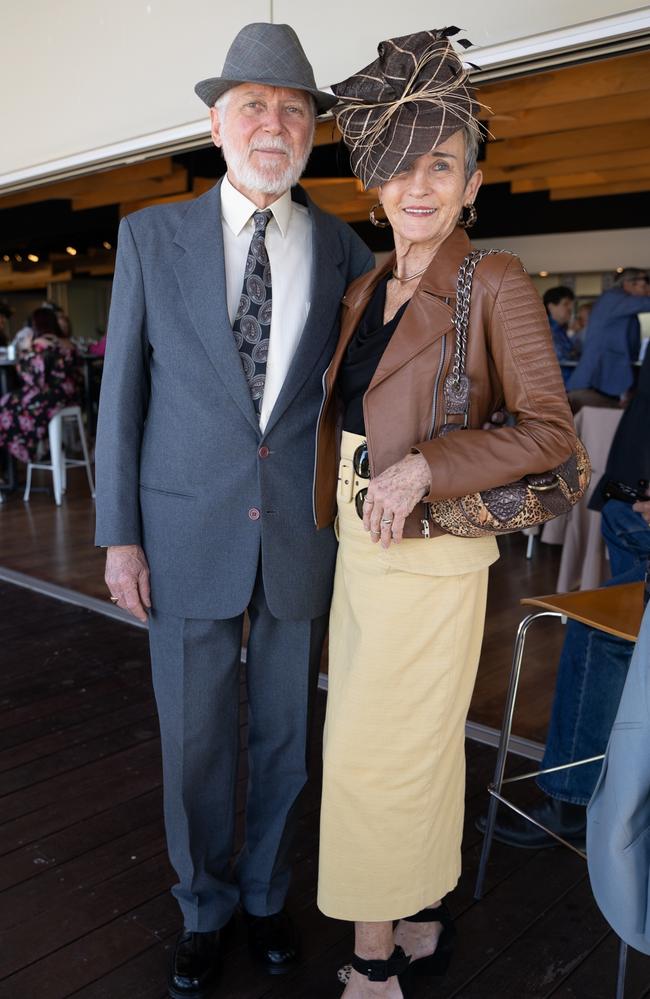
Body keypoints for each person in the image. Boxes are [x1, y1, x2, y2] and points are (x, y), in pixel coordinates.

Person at [94, 22, 373, 999]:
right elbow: (120, 396)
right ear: (215, 124)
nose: (275, 122)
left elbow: (357, 398)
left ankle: (264, 896)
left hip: (298, 538)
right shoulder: (148, 236)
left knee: (285, 737)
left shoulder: (345, 250)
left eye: (294, 108)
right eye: (253, 103)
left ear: (311, 134)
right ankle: (202, 906)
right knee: (196, 742)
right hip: (178, 533)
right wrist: (117, 535)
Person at [312, 28, 577, 999]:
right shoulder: (363, 288)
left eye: (443, 165)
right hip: (359, 550)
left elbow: (549, 430)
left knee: (371, 758)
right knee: (405, 750)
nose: (418, 186)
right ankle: (415, 918)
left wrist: (427, 465)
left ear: (472, 185)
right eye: (400, 168)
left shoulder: (493, 281)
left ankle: (370, 962)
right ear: (372, 185)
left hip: (424, 558)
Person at [478, 344, 650, 849]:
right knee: (618, 653)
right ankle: (607, 795)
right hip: (626, 505)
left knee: (599, 639)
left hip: (636, 514)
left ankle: (572, 801)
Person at [0, 306, 80, 464]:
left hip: (50, 395)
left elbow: (33, 378)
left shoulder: (40, 343)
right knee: (10, 403)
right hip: (70, 394)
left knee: (5, 405)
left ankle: (32, 450)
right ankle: (41, 446)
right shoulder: (67, 342)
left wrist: (25, 351)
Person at [568, 267, 650, 412]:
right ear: (628, 284)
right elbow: (646, 304)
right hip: (594, 383)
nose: (647, 290)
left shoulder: (621, 305)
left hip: (602, 383)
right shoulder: (613, 299)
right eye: (644, 285)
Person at [543, 285, 577, 384]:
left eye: (571, 305)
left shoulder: (560, 330)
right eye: (566, 304)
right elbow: (560, 358)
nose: (570, 308)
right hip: (558, 387)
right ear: (551, 306)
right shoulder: (545, 330)